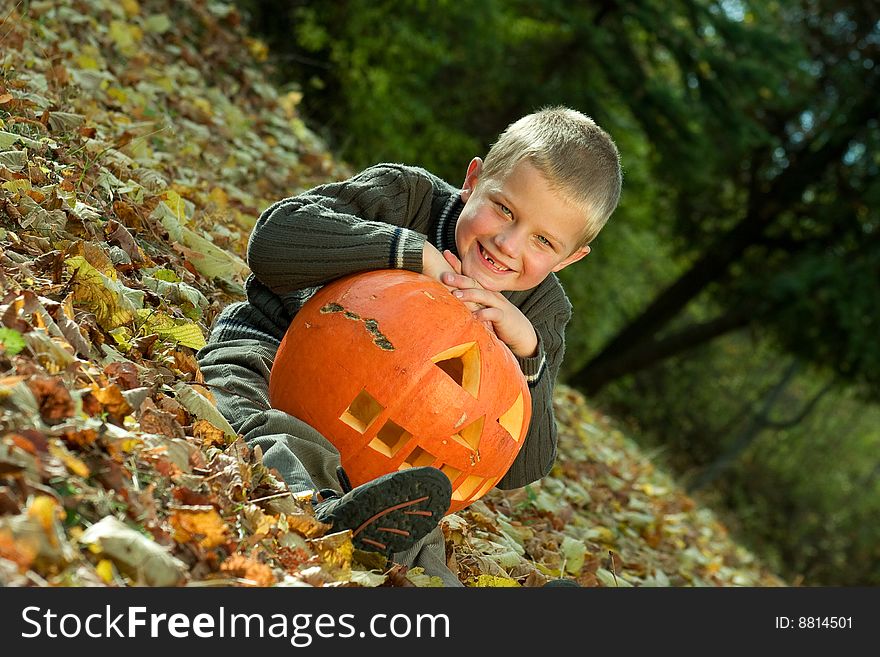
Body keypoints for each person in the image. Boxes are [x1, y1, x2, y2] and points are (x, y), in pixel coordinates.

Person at [196, 106, 622, 586]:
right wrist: (405, 251)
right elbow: (272, 242)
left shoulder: (543, 310)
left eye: (543, 241)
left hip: (388, 447)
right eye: (504, 208)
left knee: (416, 514)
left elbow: (518, 466)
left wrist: (528, 356)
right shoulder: (405, 197)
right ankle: (316, 508)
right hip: (275, 348)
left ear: (570, 259)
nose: (508, 243)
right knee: (257, 413)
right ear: (473, 179)